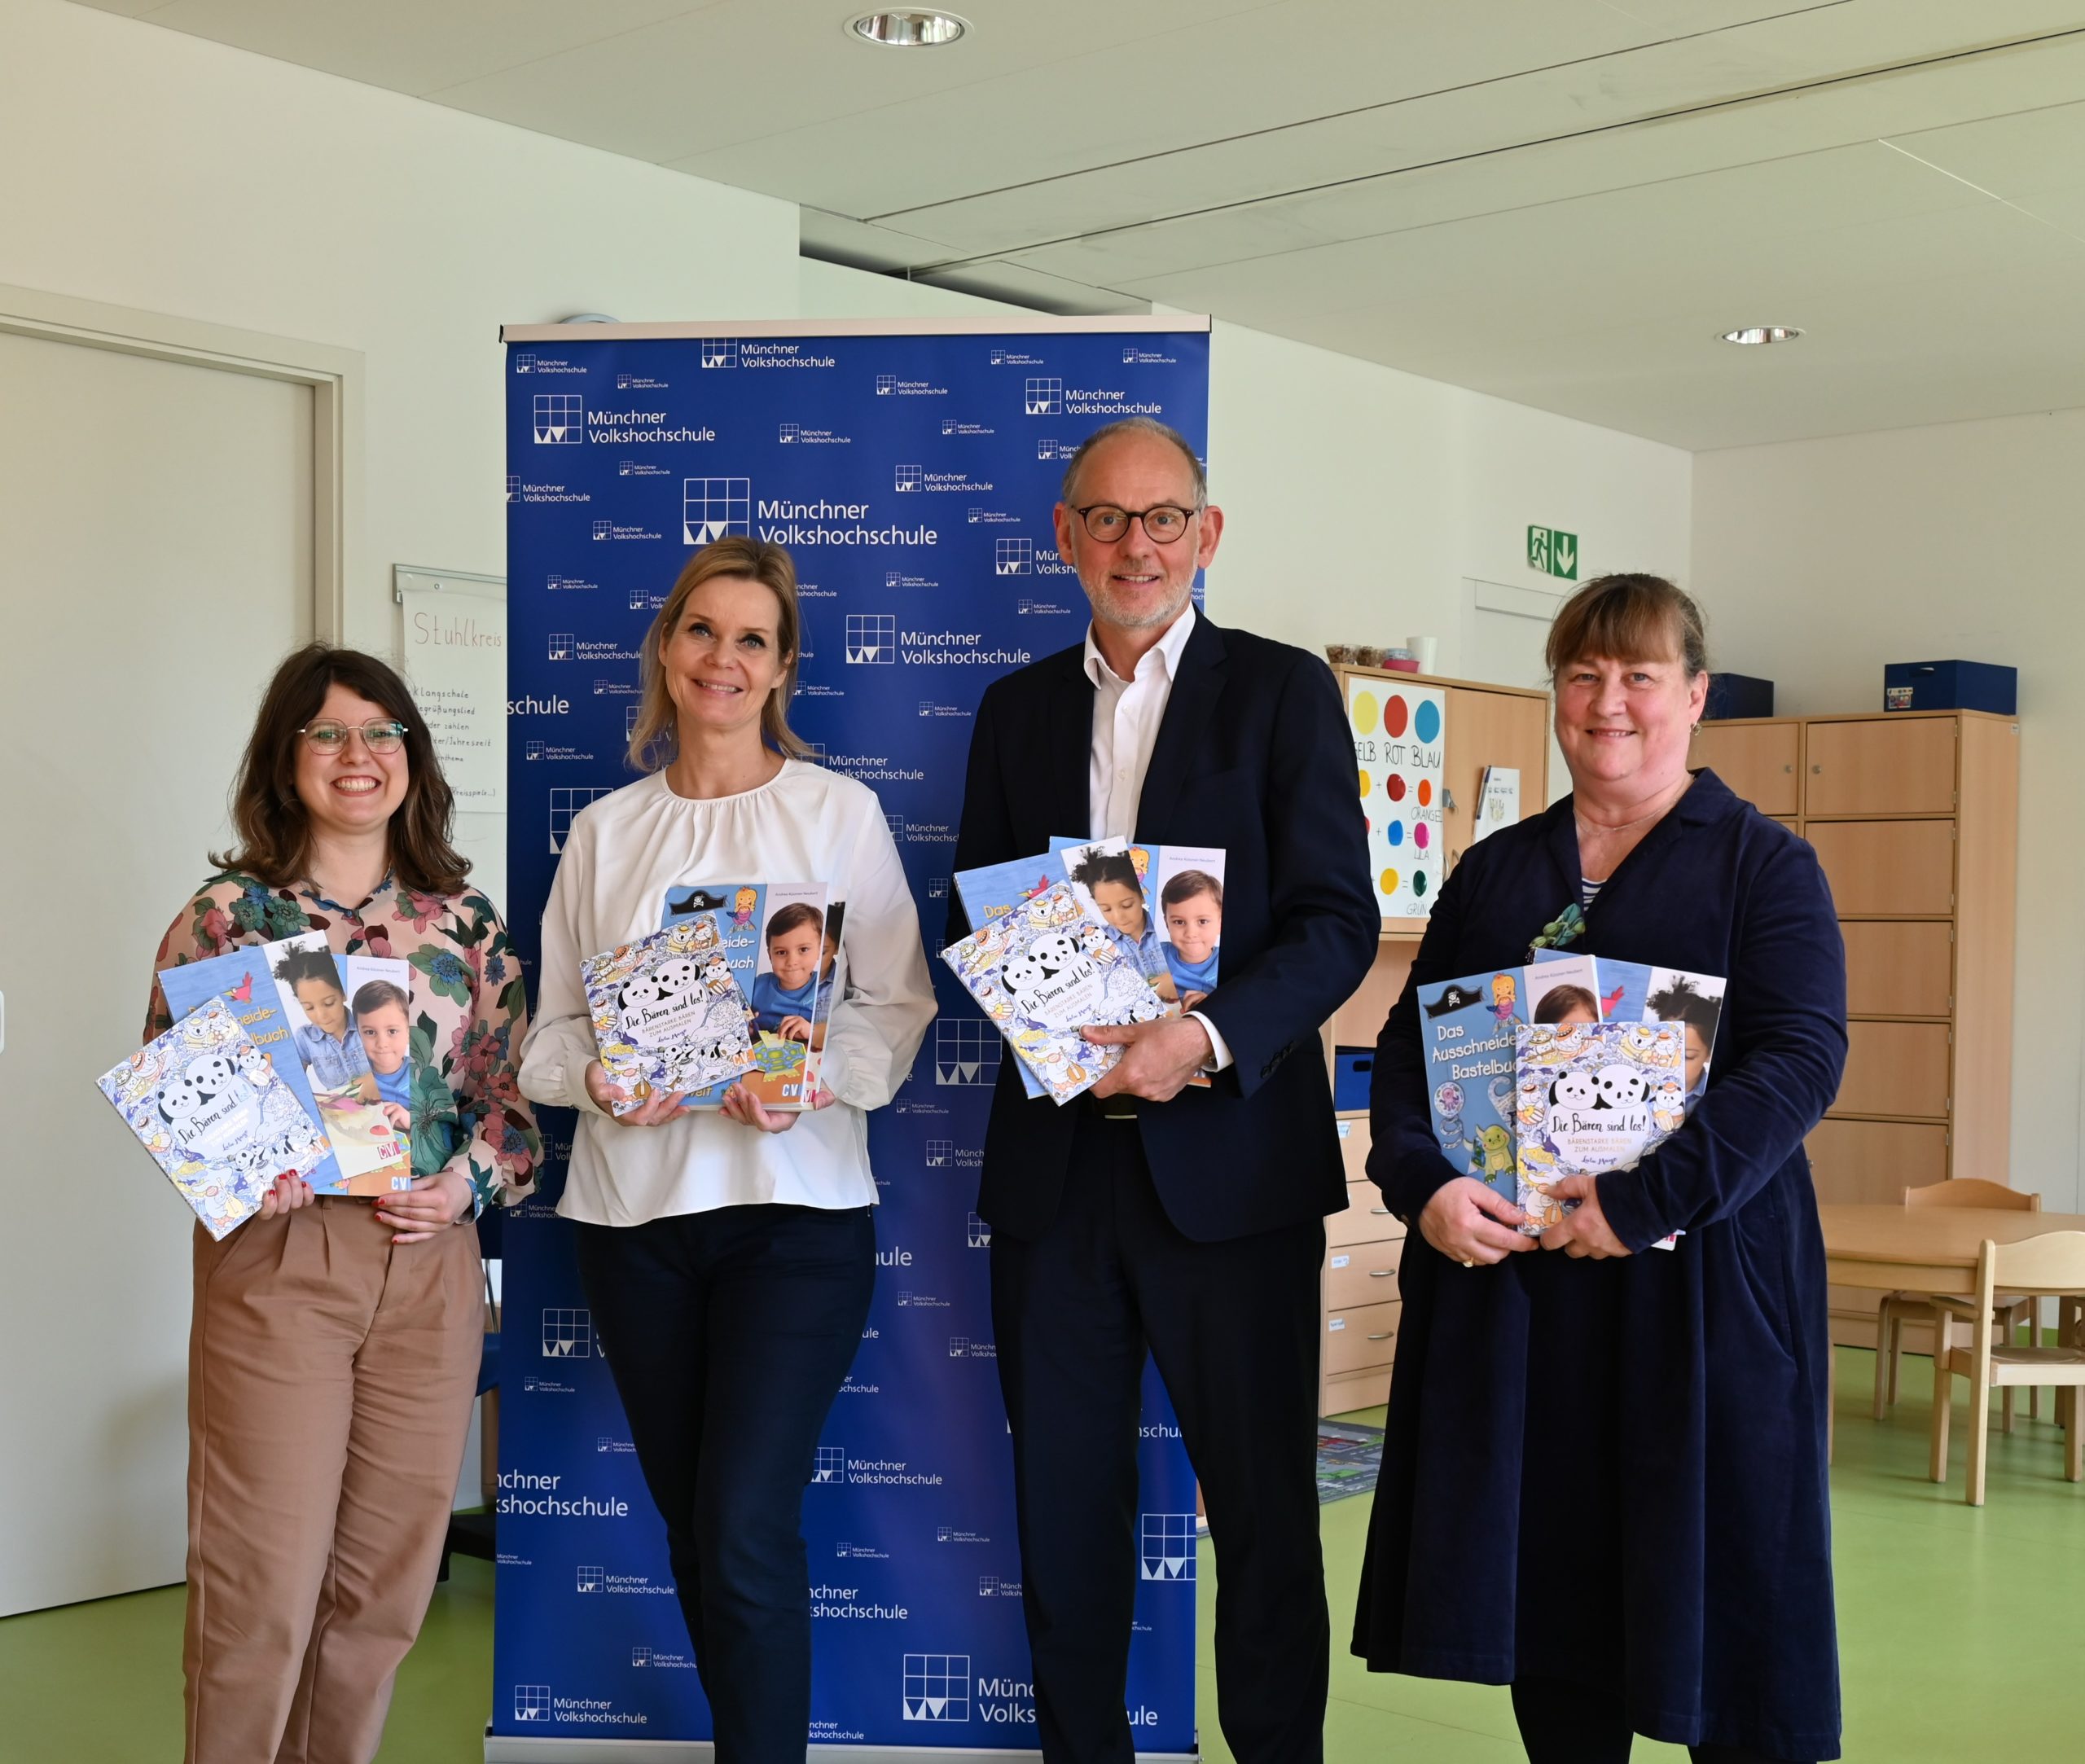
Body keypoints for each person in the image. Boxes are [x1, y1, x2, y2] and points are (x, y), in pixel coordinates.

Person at [1352, 573, 1848, 1764]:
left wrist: (1638, 1202)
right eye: (1582, 676)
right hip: (1528, 1299)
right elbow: (1411, 1060)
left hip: (1702, 1286)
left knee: (1727, 1601)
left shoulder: (1764, 866)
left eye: (1639, 676)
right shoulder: (1494, 873)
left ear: (1695, 695)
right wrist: (1424, 1187)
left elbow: (1799, 1059)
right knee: (1554, 1604)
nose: (1608, 702)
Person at [950, 416, 1377, 1764]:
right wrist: (1046, 1000)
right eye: (1108, 518)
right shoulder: (1016, 709)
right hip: (1059, 1173)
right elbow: (977, 911)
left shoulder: (1283, 692)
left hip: (1234, 1172)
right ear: (1065, 536)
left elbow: (1336, 924)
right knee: (1063, 1515)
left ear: (1208, 533)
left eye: (1165, 518)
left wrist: (1201, 1038)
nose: (1137, 545)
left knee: (1263, 1516)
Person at [517, 536, 935, 1764]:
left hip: (794, 1224)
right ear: (665, 647)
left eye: (753, 639)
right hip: (634, 1227)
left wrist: (814, 1079)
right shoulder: (607, 833)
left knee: (745, 1524)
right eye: (702, 630)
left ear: (784, 665)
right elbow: (550, 1035)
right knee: (698, 1532)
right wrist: (596, 1080)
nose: (723, 658)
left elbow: (894, 1005)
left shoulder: (838, 812)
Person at [146, 644, 541, 1764]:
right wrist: (243, 1167)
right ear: (287, 758)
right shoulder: (229, 916)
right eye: (326, 732)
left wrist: (466, 1182)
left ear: (412, 754)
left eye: (381, 731)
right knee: (261, 1588)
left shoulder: (467, 924)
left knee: (382, 1595)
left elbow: (511, 1108)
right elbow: (177, 1095)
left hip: (430, 1271)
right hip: (285, 1260)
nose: (356, 754)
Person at [1070, 846, 1179, 1001]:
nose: (1118, 917)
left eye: (1127, 905)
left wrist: (1176, 981)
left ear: (1142, 895)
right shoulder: (1097, 942)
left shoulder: (1167, 927)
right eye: (1106, 909)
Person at [272, 942, 371, 1092]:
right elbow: (291, 1084)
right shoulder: (305, 1038)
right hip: (340, 1108)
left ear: (343, 993)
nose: (321, 1016)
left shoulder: (368, 1023)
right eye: (309, 1008)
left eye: (329, 1003)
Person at [747, 900, 828, 1045]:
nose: (792, 961)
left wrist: (811, 1031)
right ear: (770, 955)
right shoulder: (756, 987)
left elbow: (839, 1032)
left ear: (819, 951)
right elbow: (741, 1017)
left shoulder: (825, 989)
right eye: (781, 952)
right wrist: (747, 1028)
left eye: (803, 949)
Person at [352, 976, 414, 1128]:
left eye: (392, 1031)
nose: (382, 1043)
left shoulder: (423, 1076)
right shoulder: (354, 1078)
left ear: (408, 1033)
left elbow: (444, 1120)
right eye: (370, 1032)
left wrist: (412, 1120)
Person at [1157, 867, 1222, 1008]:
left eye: (1203, 921)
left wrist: (1211, 1005)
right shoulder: (1155, 954)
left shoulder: (1231, 963)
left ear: (1220, 923)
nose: (1190, 933)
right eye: (1179, 922)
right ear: (1167, 924)